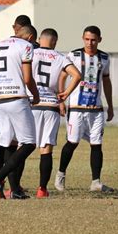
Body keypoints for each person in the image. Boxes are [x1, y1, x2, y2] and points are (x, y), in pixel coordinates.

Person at [54, 25, 115, 193]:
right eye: (87, 39)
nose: (90, 43)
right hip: (76, 108)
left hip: (96, 109)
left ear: (100, 40)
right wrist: (61, 99)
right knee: (72, 142)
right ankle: (60, 175)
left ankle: (96, 182)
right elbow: (62, 76)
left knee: (97, 144)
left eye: (93, 40)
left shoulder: (104, 58)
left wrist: (110, 105)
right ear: (83, 39)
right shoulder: (73, 55)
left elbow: (107, 82)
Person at [0, 25, 40, 199]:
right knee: (29, 143)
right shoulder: (25, 46)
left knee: (10, 143)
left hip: (0, 99)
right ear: (31, 37)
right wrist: (36, 94)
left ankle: (15, 190)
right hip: (17, 98)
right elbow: (27, 77)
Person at [30, 28, 81, 198]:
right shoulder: (60, 57)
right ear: (55, 42)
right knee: (46, 149)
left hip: (33, 104)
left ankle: (15, 186)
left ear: (39, 39)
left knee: (23, 146)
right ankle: (42, 189)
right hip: (51, 106)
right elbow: (77, 75)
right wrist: (65, 93)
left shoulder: (31, 52)